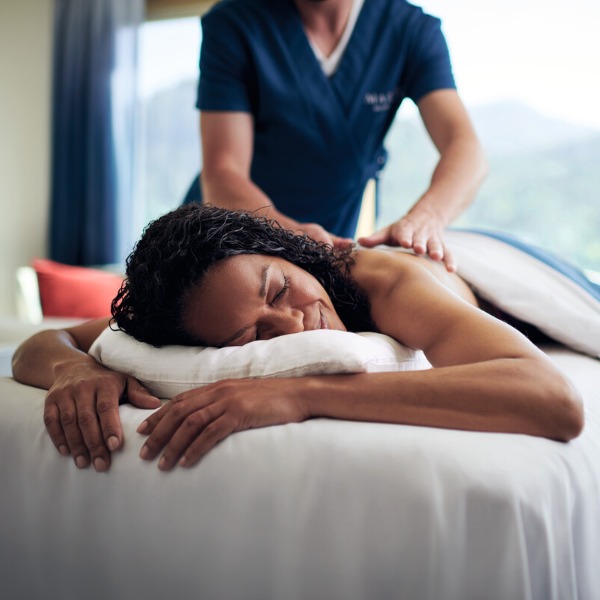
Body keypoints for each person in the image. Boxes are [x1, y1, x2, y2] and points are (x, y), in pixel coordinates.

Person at [12, 204, 584, 473]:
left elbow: (553, 400)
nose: (294, 324)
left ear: (286, 253)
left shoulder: (384, 284)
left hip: (495, 266)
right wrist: (75, 369)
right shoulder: (195, 308)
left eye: (280, 289)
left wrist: (304, 394)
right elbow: (44, 342)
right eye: (254, 335)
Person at [184, 0, 488, 271]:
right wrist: (285, 233)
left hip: (328, 239)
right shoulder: (234, 24)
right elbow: (223, 170)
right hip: (230, 231)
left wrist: (425, 219)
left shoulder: (409, 29)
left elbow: (466, 148)